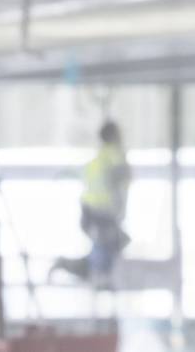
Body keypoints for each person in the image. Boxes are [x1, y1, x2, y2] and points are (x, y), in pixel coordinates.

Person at [79, 119, 132, 284]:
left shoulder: (99, 156)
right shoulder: (115, 156)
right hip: (104, 212)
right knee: (109, 247)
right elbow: (123, 179)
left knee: (103, 247)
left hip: (89, 210)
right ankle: (101, 278)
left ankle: (96, 276)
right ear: (115, 135)